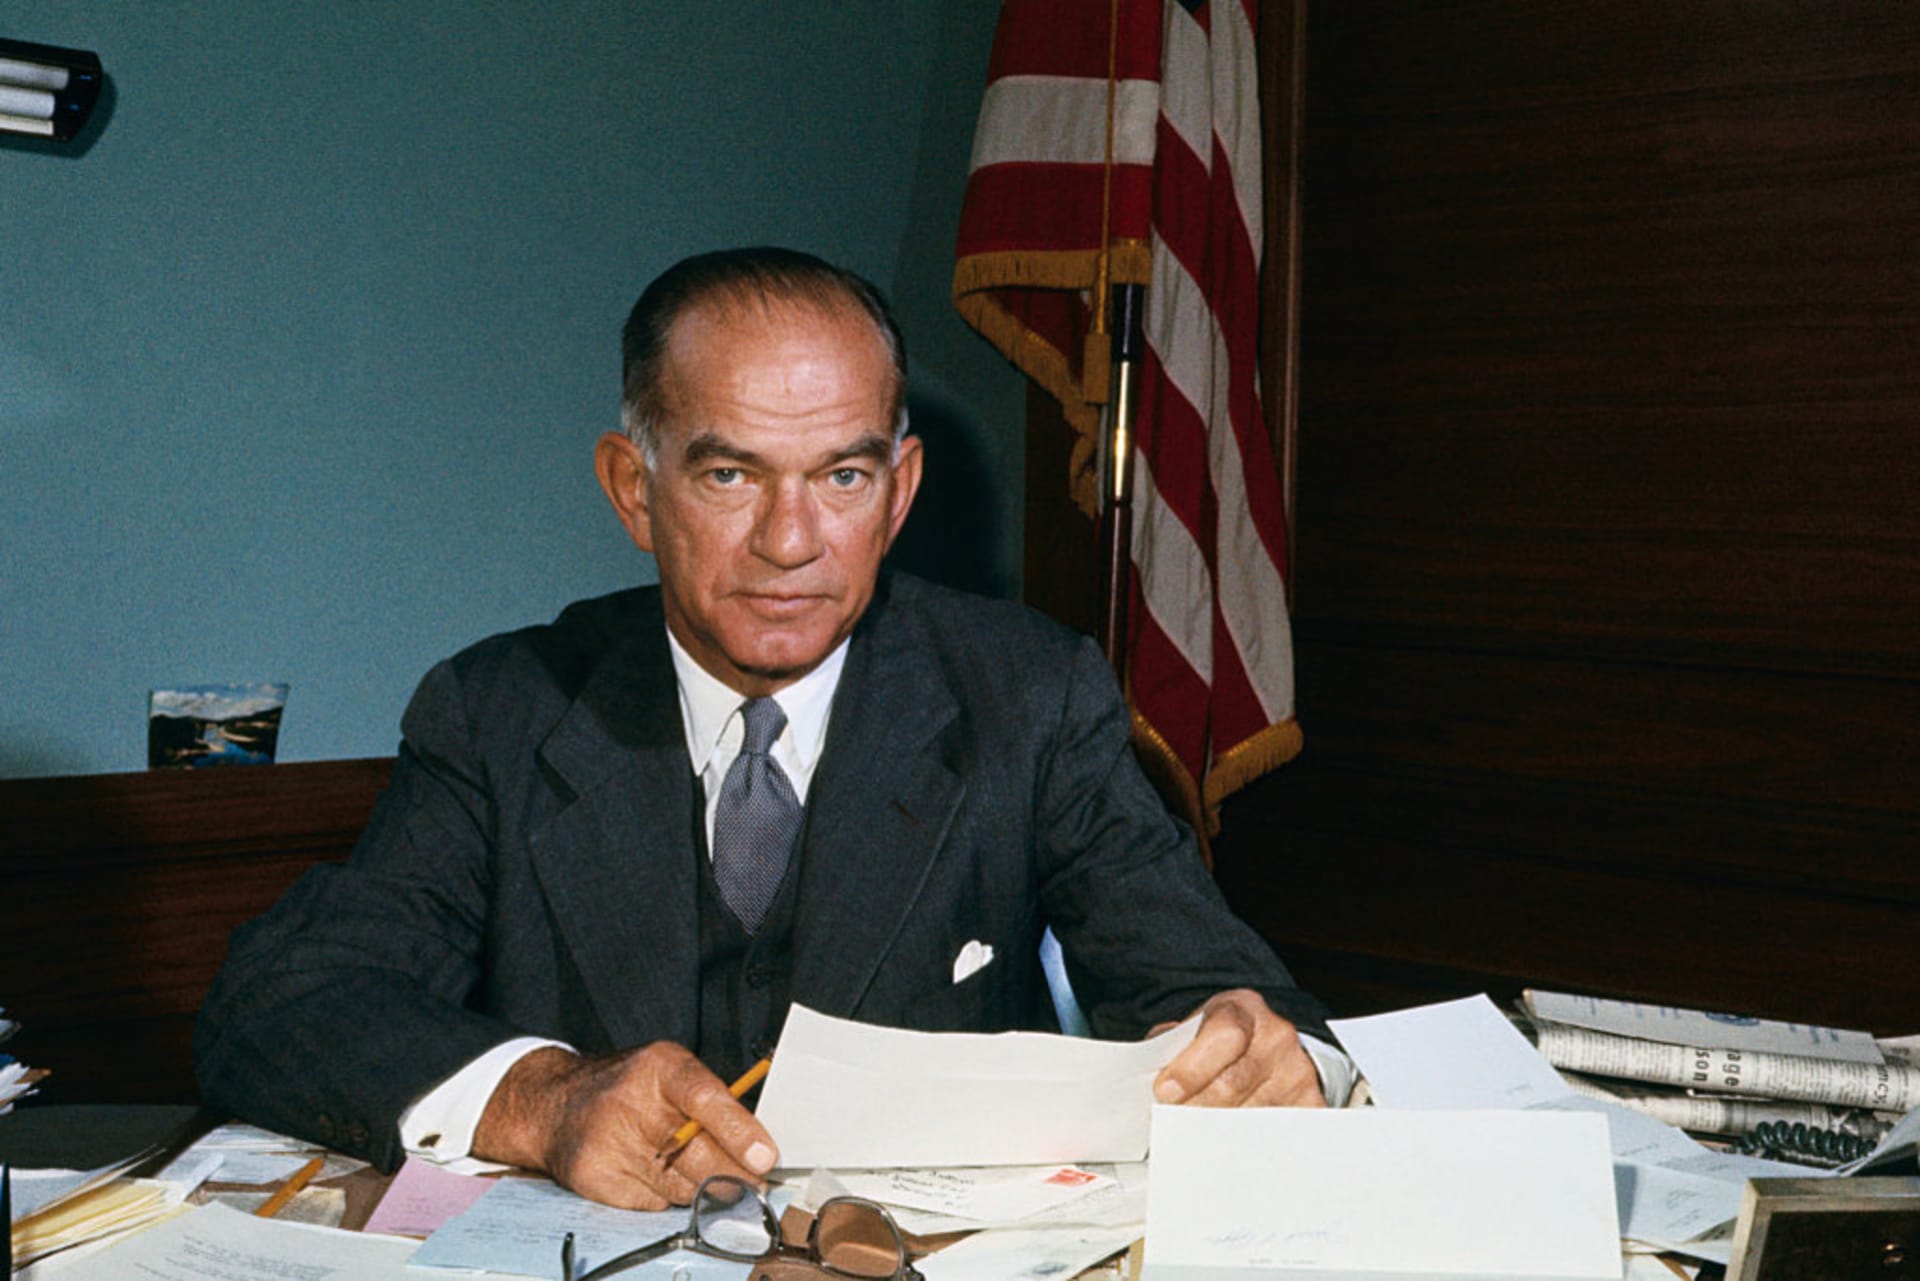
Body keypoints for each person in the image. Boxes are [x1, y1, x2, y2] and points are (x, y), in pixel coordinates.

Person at [195, 247, 1347, 1212]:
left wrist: (1262, 1055)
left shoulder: (1030, 696)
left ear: (899, 494)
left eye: (841, 476)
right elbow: (282, 1004)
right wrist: (544, 1103)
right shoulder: (501, 709)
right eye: (733, 474)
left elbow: (1233, 1001)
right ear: (632, 490)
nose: (791, 542)